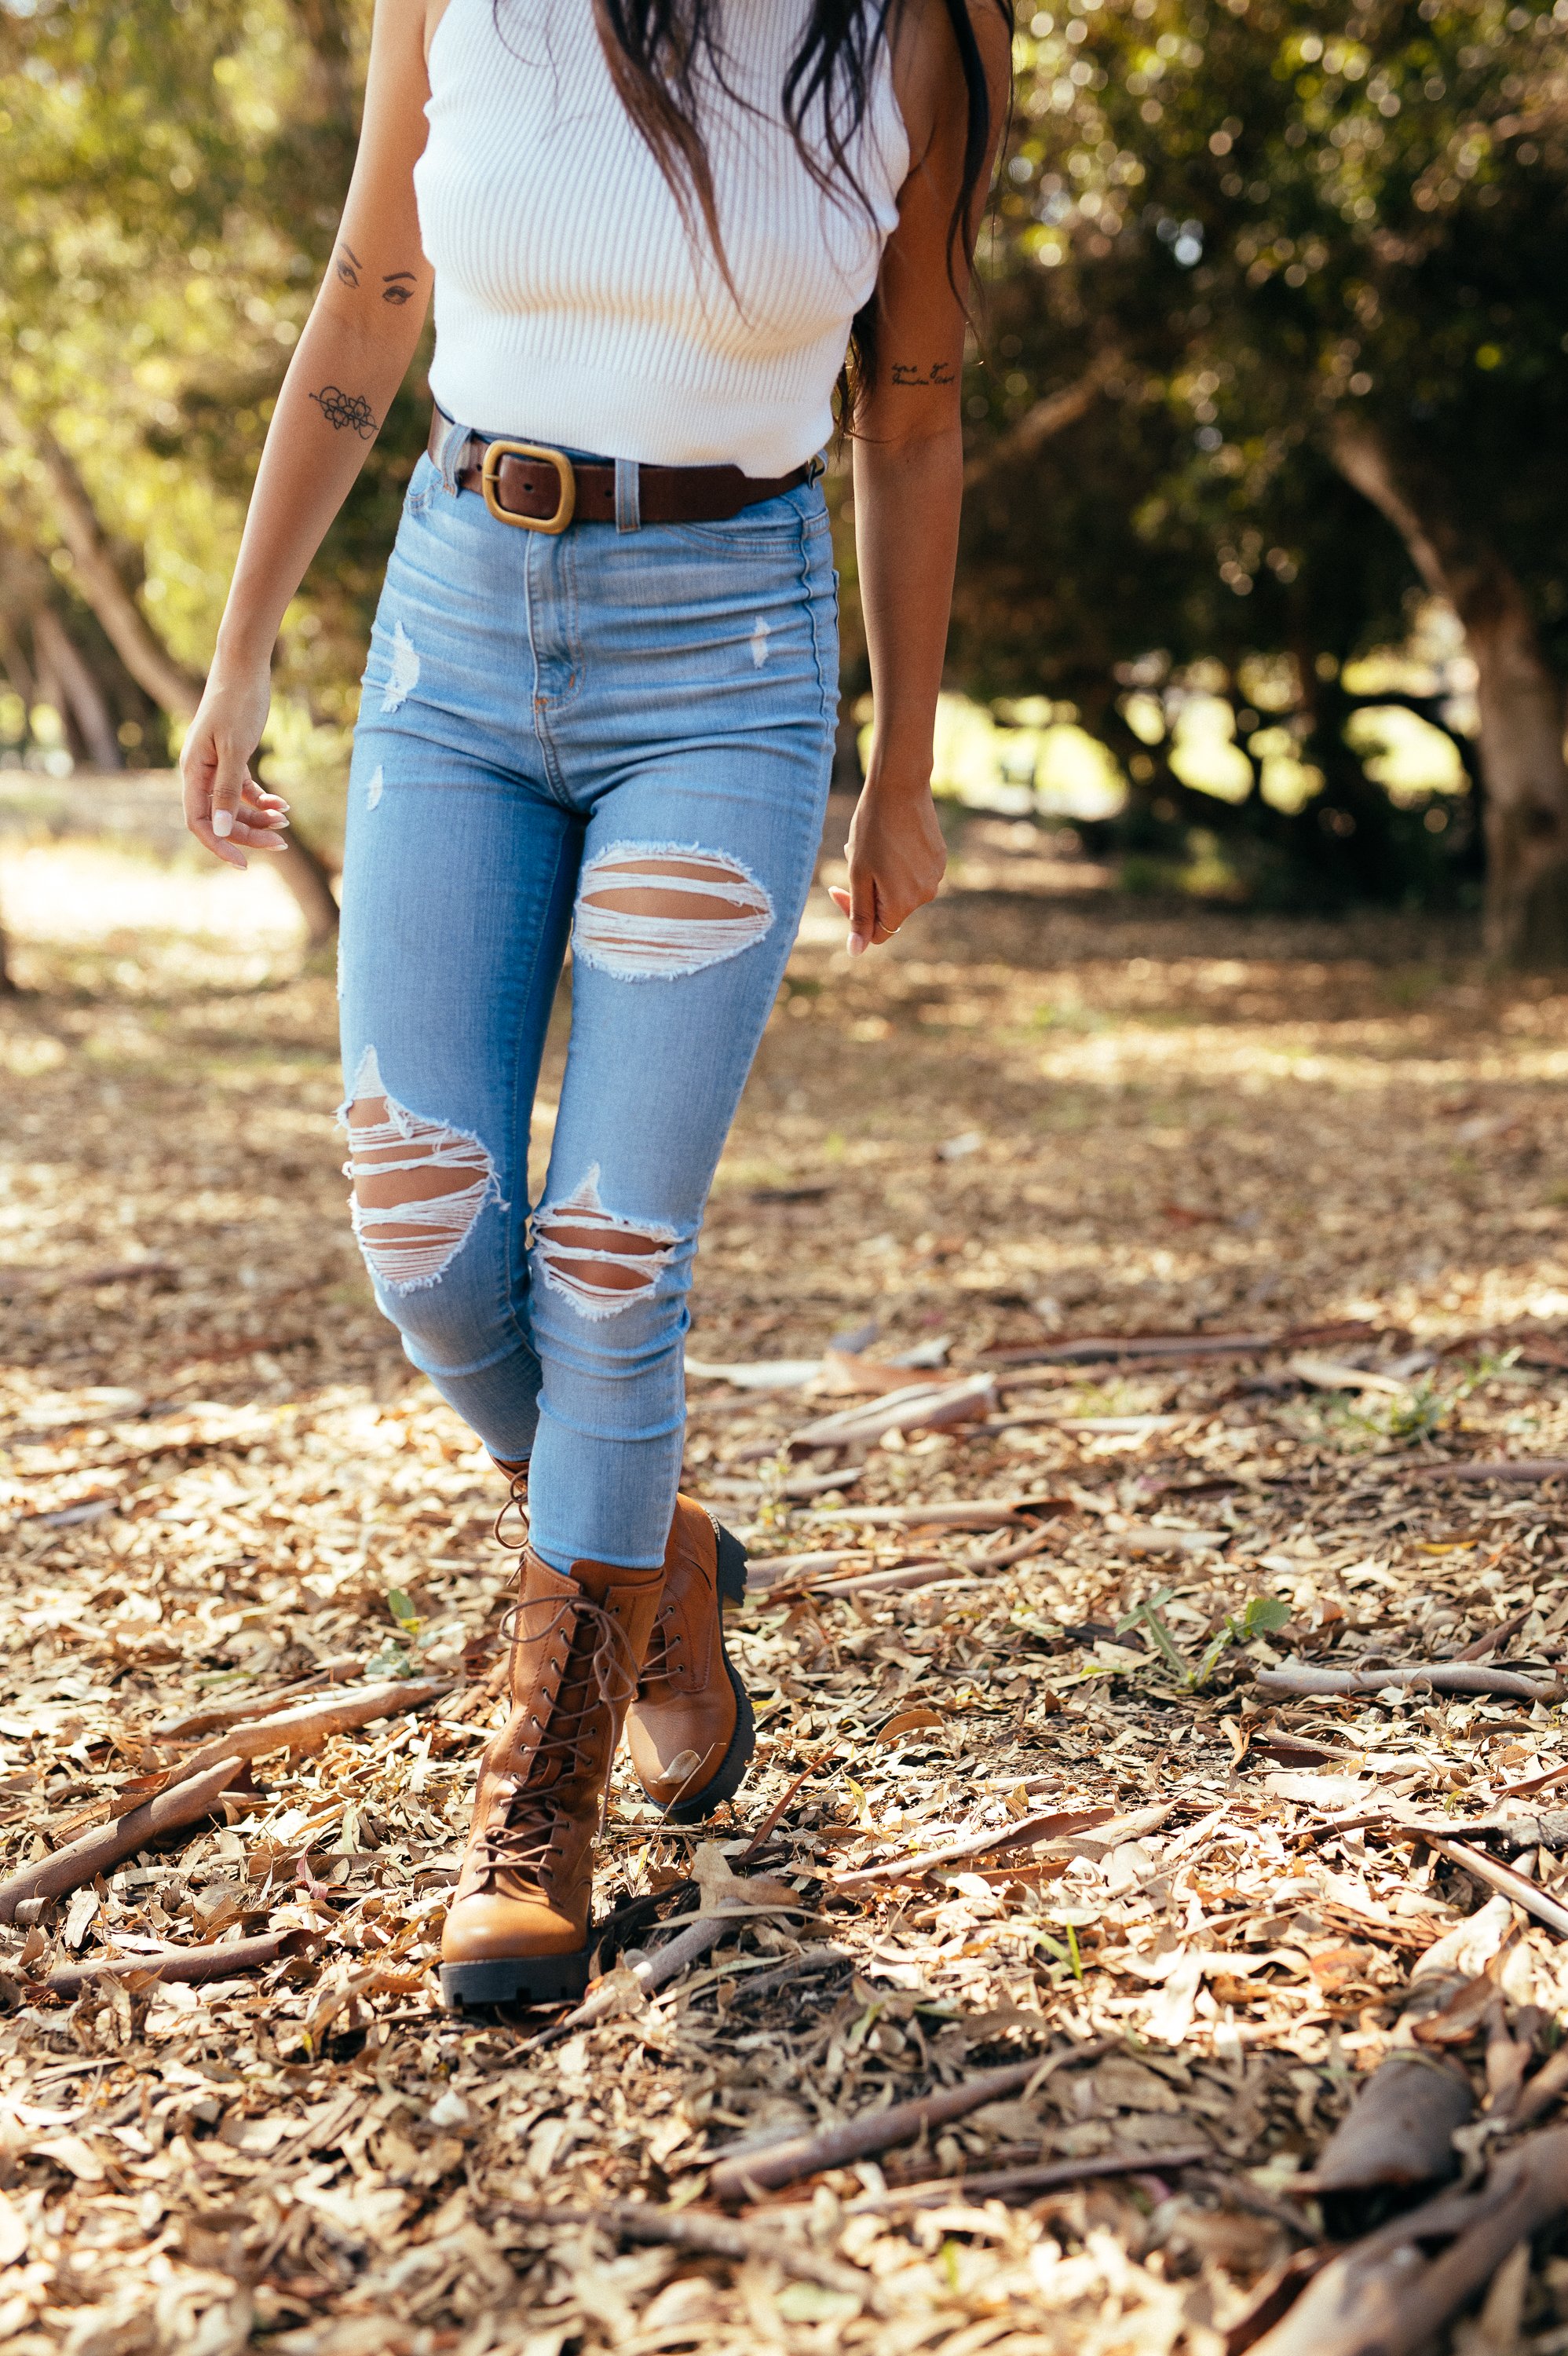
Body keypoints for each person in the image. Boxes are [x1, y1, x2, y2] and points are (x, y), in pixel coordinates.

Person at [180, 0, 1010, 2008]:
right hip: (458, 621)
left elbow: (908, 401)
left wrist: (897, 765)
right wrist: (240, 650)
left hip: (726, 658)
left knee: (613, 1259)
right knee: (425, 1236)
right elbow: (377, 287)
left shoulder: (912, 29)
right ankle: (650, 1560)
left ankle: (537, 1803)